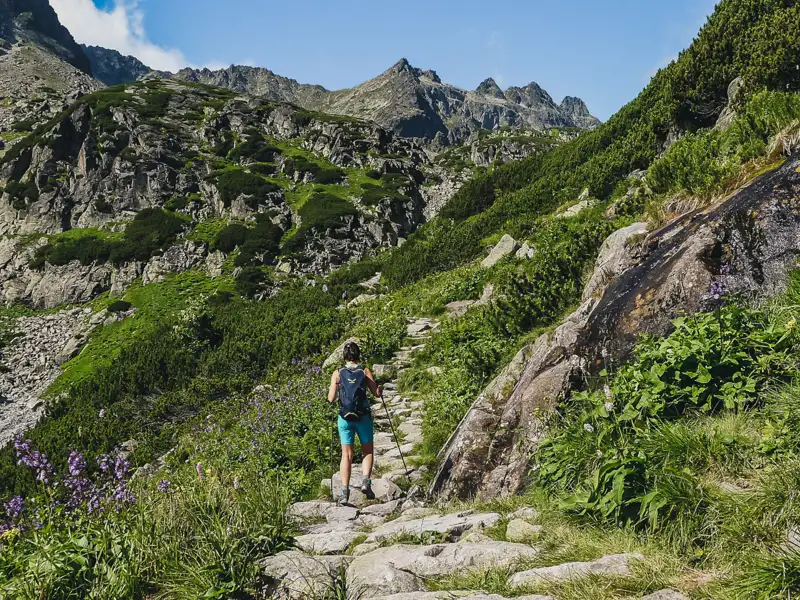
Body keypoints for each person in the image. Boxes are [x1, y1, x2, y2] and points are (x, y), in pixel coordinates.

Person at [327, 341, 382, 505]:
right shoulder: (364, 371)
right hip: (363, 417)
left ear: (344, 356)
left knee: (346, 455)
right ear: (358, 354)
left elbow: (331, 398)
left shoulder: (337, 373)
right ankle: (366, 482)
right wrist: (380, 389)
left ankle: (345, 492)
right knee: (367, 451)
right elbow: (376, 393)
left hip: (344, 418)